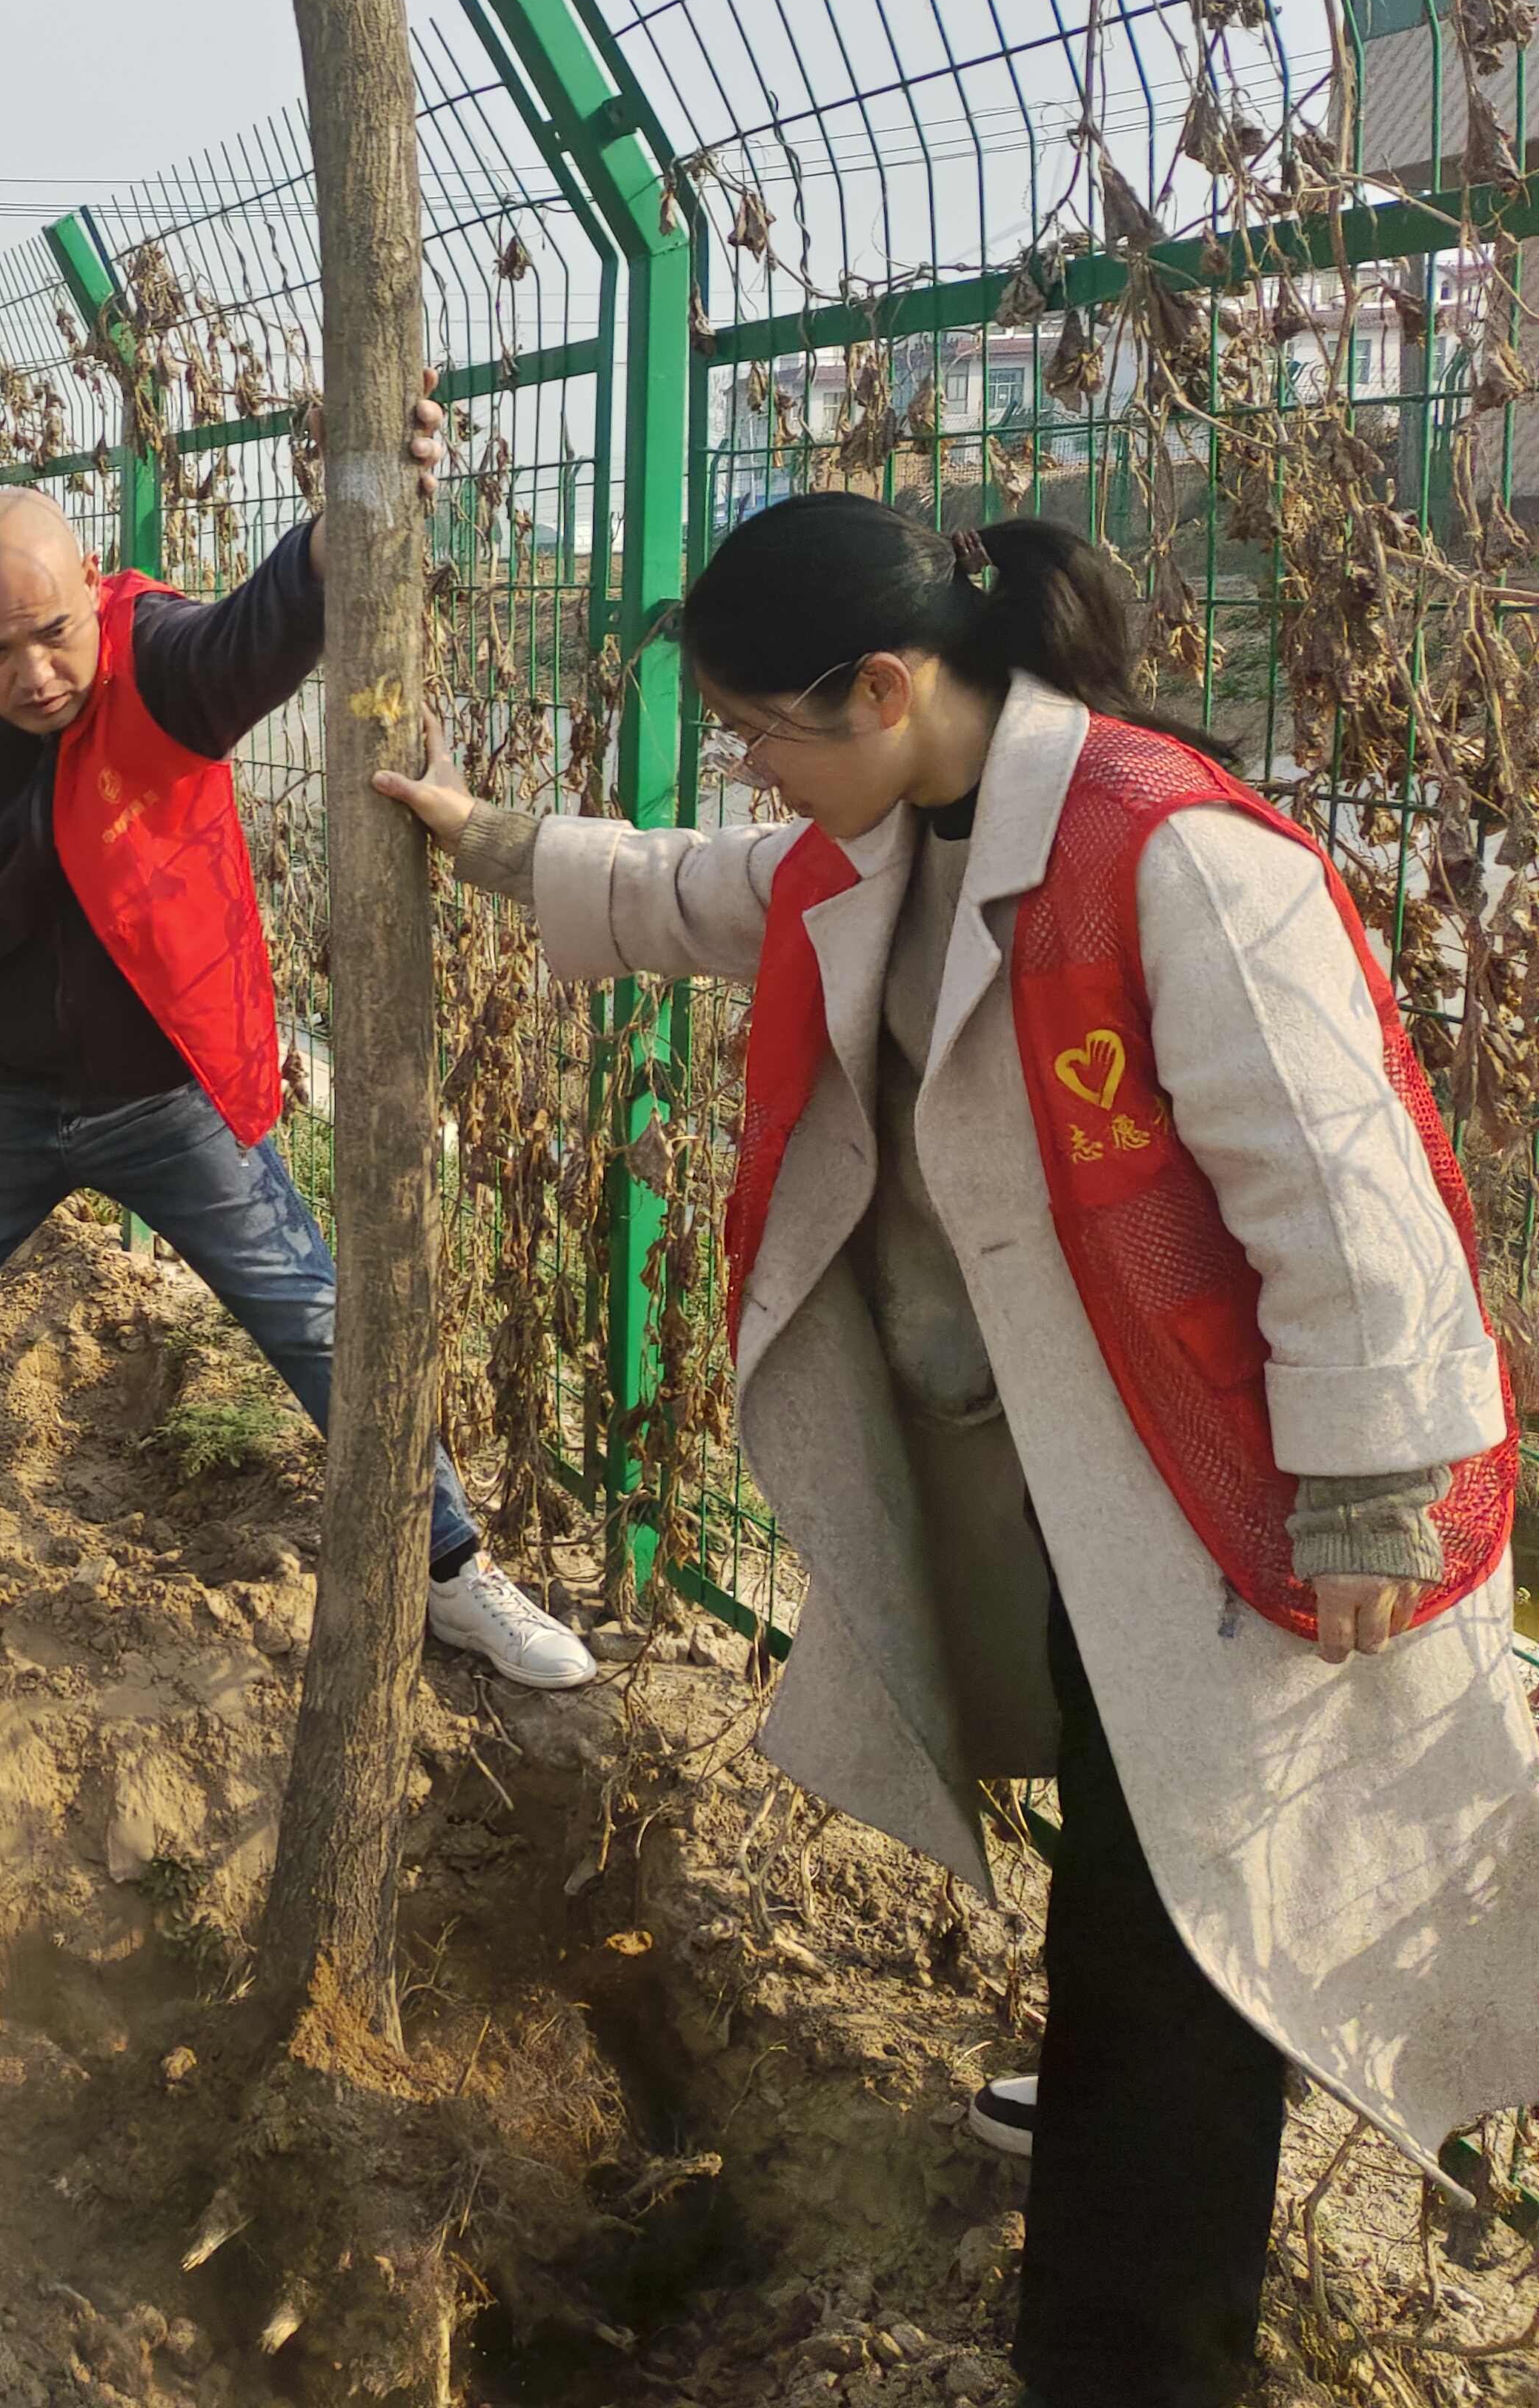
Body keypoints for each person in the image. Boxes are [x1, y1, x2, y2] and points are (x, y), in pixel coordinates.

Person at [377, 493, 1533, 2408]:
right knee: (1138, 1907)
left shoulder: (1172, 862)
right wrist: (491, 844)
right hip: (1099, 1506)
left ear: (889, 688)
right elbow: (692, 889)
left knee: (1187, 1979)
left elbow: (1349, 1200)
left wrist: (1367, 1492)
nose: (748, 767)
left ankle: (1132, 2355)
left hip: (1250, 1515)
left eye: (764, 727)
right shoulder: (902, 838)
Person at [0, 473, 586, 1689]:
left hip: (165, 1096)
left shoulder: (153, 659)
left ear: (90, 589)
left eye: (53, 631)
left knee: (315, 1320)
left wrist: (336, 535)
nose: (36, 674)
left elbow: (249, 634)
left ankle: (452, 1571)